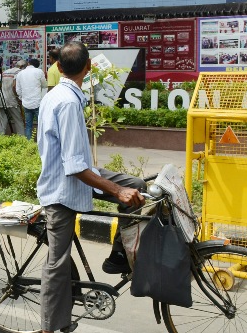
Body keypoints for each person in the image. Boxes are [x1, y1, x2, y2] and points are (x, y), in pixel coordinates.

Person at [36, 43, 145, 333]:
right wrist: (115, 191)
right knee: (56, 263)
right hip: (63, 188)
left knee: (137, 186)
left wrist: (120, 188)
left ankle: (118, 257)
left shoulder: (57, 94)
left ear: (59, 68)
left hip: (82, 176)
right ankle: (49, 327)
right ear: (89, 67)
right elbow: (73, 166)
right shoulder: (68, 103)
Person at [16, 58, 47, 140]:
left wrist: (22, 98)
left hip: (26, 103)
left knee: (28, 125)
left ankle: (28, 145)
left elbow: (18, 90)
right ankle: (42, 143)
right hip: (38, 102)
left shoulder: (20, 74)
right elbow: (44, 85)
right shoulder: (39, 72)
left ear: (29, 63)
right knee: (41, 124)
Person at [0, 60, 25, 136]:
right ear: (22, 67)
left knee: (2, 122)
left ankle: (0, 138)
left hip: (2, 99)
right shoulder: (19, 72)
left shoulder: (5, 72)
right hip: (12, 100)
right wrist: (18, 98)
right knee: (18, 121)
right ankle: (22, 139)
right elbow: (14, 86)